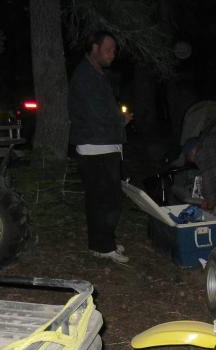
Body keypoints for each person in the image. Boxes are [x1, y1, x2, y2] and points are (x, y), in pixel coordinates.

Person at [69, 31, 133, 265]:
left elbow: (103, 110)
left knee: (103, 199)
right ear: (94, 48)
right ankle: (104, 246)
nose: (112, 54)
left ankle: (101, 243)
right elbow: (96, 114)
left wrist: (118, 120)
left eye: (114, 50)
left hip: (104, 145)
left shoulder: (96, 74)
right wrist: (120, 120)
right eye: (108, 49)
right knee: (106, 200)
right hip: (95, 147)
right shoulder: (85, 75)